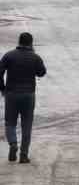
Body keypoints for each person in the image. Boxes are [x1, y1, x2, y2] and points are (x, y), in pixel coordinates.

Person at [0, 32, 47, 164]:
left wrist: (2, 88)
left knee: (10, 122)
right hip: (28, 95)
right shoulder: (35, 57)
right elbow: (42, 73)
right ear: (31, 43)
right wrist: (34, 57)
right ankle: (24, 155)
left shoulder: (9, 56)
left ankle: (13, 143)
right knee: (27, 124)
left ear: (19, 42)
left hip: (11, 94)